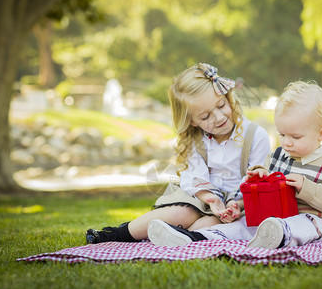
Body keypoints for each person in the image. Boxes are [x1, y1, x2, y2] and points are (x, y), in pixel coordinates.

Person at [147, 80, 322, 249]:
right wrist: (240, 204)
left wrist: (306, 188)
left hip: (313, 219)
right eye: (282, 134)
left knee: (299, 225)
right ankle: (193, 238)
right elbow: (266, 192)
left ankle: (278, 236)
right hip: (272, 216)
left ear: (321, 133)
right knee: (242, 225)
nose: (287, 142)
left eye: (295, 136)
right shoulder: (279, 156)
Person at [85, 63, 271, 244]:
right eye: (205, 116)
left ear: (228, 97)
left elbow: (257, 180)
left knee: (207, 226)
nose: (219, 117)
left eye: (221, 105)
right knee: (180, 213)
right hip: (203, 197)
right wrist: (210, 198)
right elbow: (194, 176)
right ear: (191, 121)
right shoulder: (197, 141)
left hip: (241, 204)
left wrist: (234, 206)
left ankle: (178, 235)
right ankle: (116, 235)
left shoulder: (255, 135)